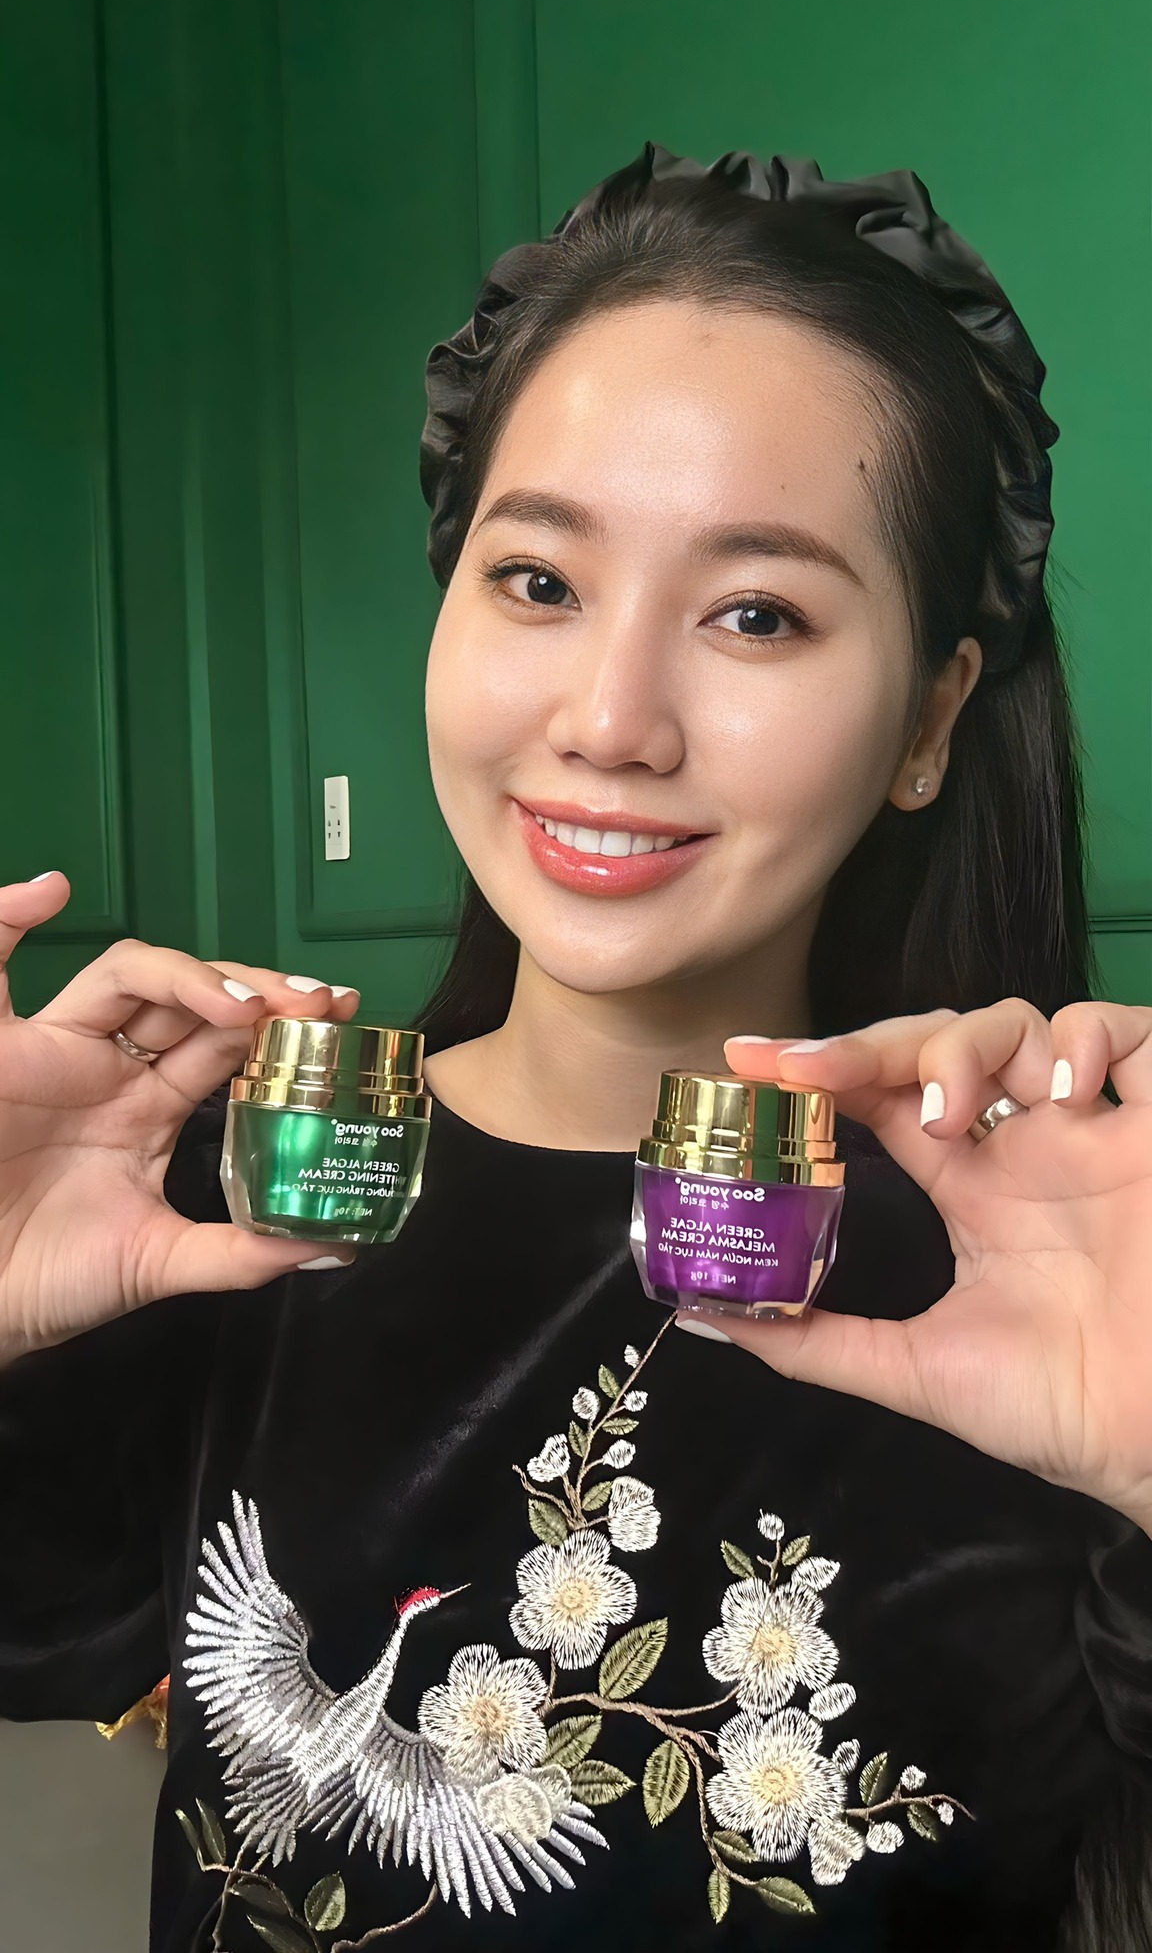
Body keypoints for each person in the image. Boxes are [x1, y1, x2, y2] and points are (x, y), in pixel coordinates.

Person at [0, 143, 1149, 1953]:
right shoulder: (230, 1199)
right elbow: (38, 1640)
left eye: (757, 613)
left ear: (932, 716)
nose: (611, 721)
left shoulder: (1060, 1287)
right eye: (538, 581)